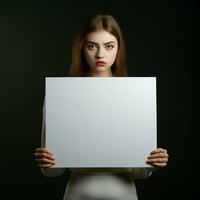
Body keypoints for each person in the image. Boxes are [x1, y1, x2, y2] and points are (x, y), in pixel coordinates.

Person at [35, 14, 169, 200]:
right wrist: (46, 161)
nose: (100, 54)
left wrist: (153, 162)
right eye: (92, 46)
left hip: (124, 194)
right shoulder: (61, 95)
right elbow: (52, 172)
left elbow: (140, 172)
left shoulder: (136, 95)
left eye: (109, 46)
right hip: (78, 193)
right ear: (82, 48)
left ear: (118, 49)